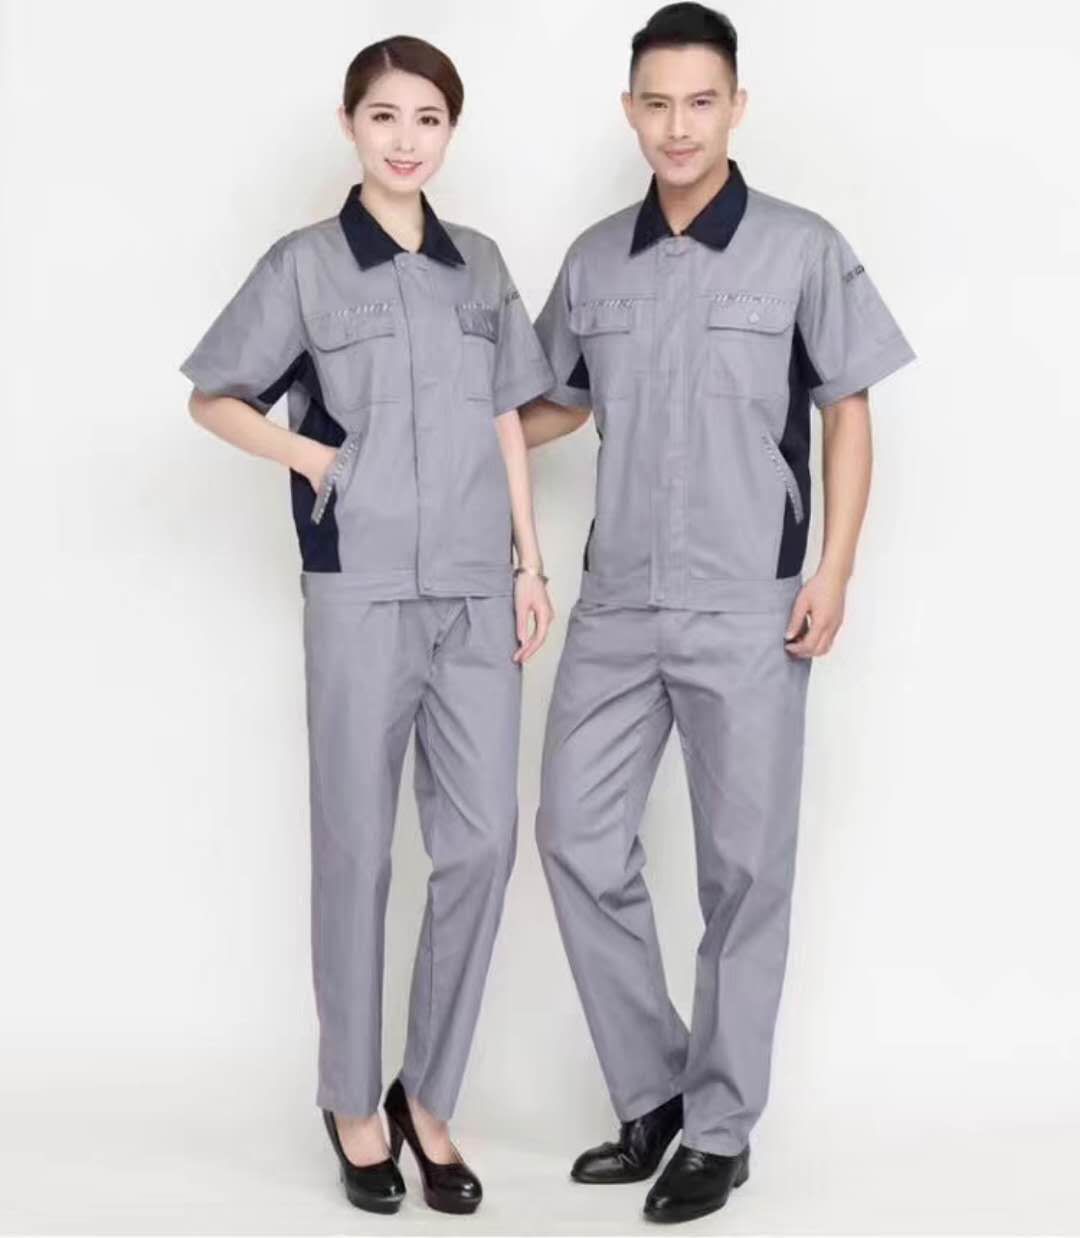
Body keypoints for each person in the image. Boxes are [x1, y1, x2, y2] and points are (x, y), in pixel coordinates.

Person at [521, 3, 916, 1225]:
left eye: (701, 101)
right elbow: (556, 401)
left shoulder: (802, 248)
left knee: (745, 870)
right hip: (616, 602)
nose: (678, 125)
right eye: (657, 102)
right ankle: (655, 1091)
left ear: (737, 106)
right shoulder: (594, 259)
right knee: (574, 836)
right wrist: (440, 424)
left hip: (752, 601)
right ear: (629, 111)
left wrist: (833, 569)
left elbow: (848, 411)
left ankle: (722, 1128)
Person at [179, 35, 556, 1217]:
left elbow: (507, 415)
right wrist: (310, 457)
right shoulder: (303, 266)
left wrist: (530, 560)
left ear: (451, 132)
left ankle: (425, 1093)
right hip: (359, 590)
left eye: (428, 118)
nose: (406, 139)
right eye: (385, 115)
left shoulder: (479, 264)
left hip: (476, 589)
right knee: (356, 848)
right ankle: (351, 1099)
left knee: (483, 840)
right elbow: (213, 395)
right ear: (350, 124)